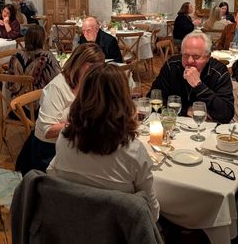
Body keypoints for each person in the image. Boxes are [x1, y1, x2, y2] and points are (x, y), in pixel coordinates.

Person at [47, 63, 160, 221]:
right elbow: (152, 214)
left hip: (72, 224)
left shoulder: (64, 140)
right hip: (119, 230)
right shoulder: (133, 151)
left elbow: (53, 177)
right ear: (123, 99)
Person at [31, 43, 105, 172]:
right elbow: (48, 130)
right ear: (82, 65)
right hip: (49, 151)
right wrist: (80, 125)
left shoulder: (87, 83)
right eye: (95, 69)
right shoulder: (57, 87)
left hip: (74, 144)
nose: (98, 74)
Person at [150, 31, 234, 123]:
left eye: (196, 56)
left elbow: (226, 115)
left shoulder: (219, 72)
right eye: (185, 55)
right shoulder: (172, 66)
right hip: (174, 124)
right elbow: (153, 100)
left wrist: (198, 85)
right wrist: (185, 111)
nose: (189, 61)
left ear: (208, 57)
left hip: (208, 127)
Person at [7, 25, 61, 98]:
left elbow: (9, 83)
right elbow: (58, 80)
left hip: (16, 101)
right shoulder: (47, 57)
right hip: (39, 100)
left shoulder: (15, 56)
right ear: (42, 40)